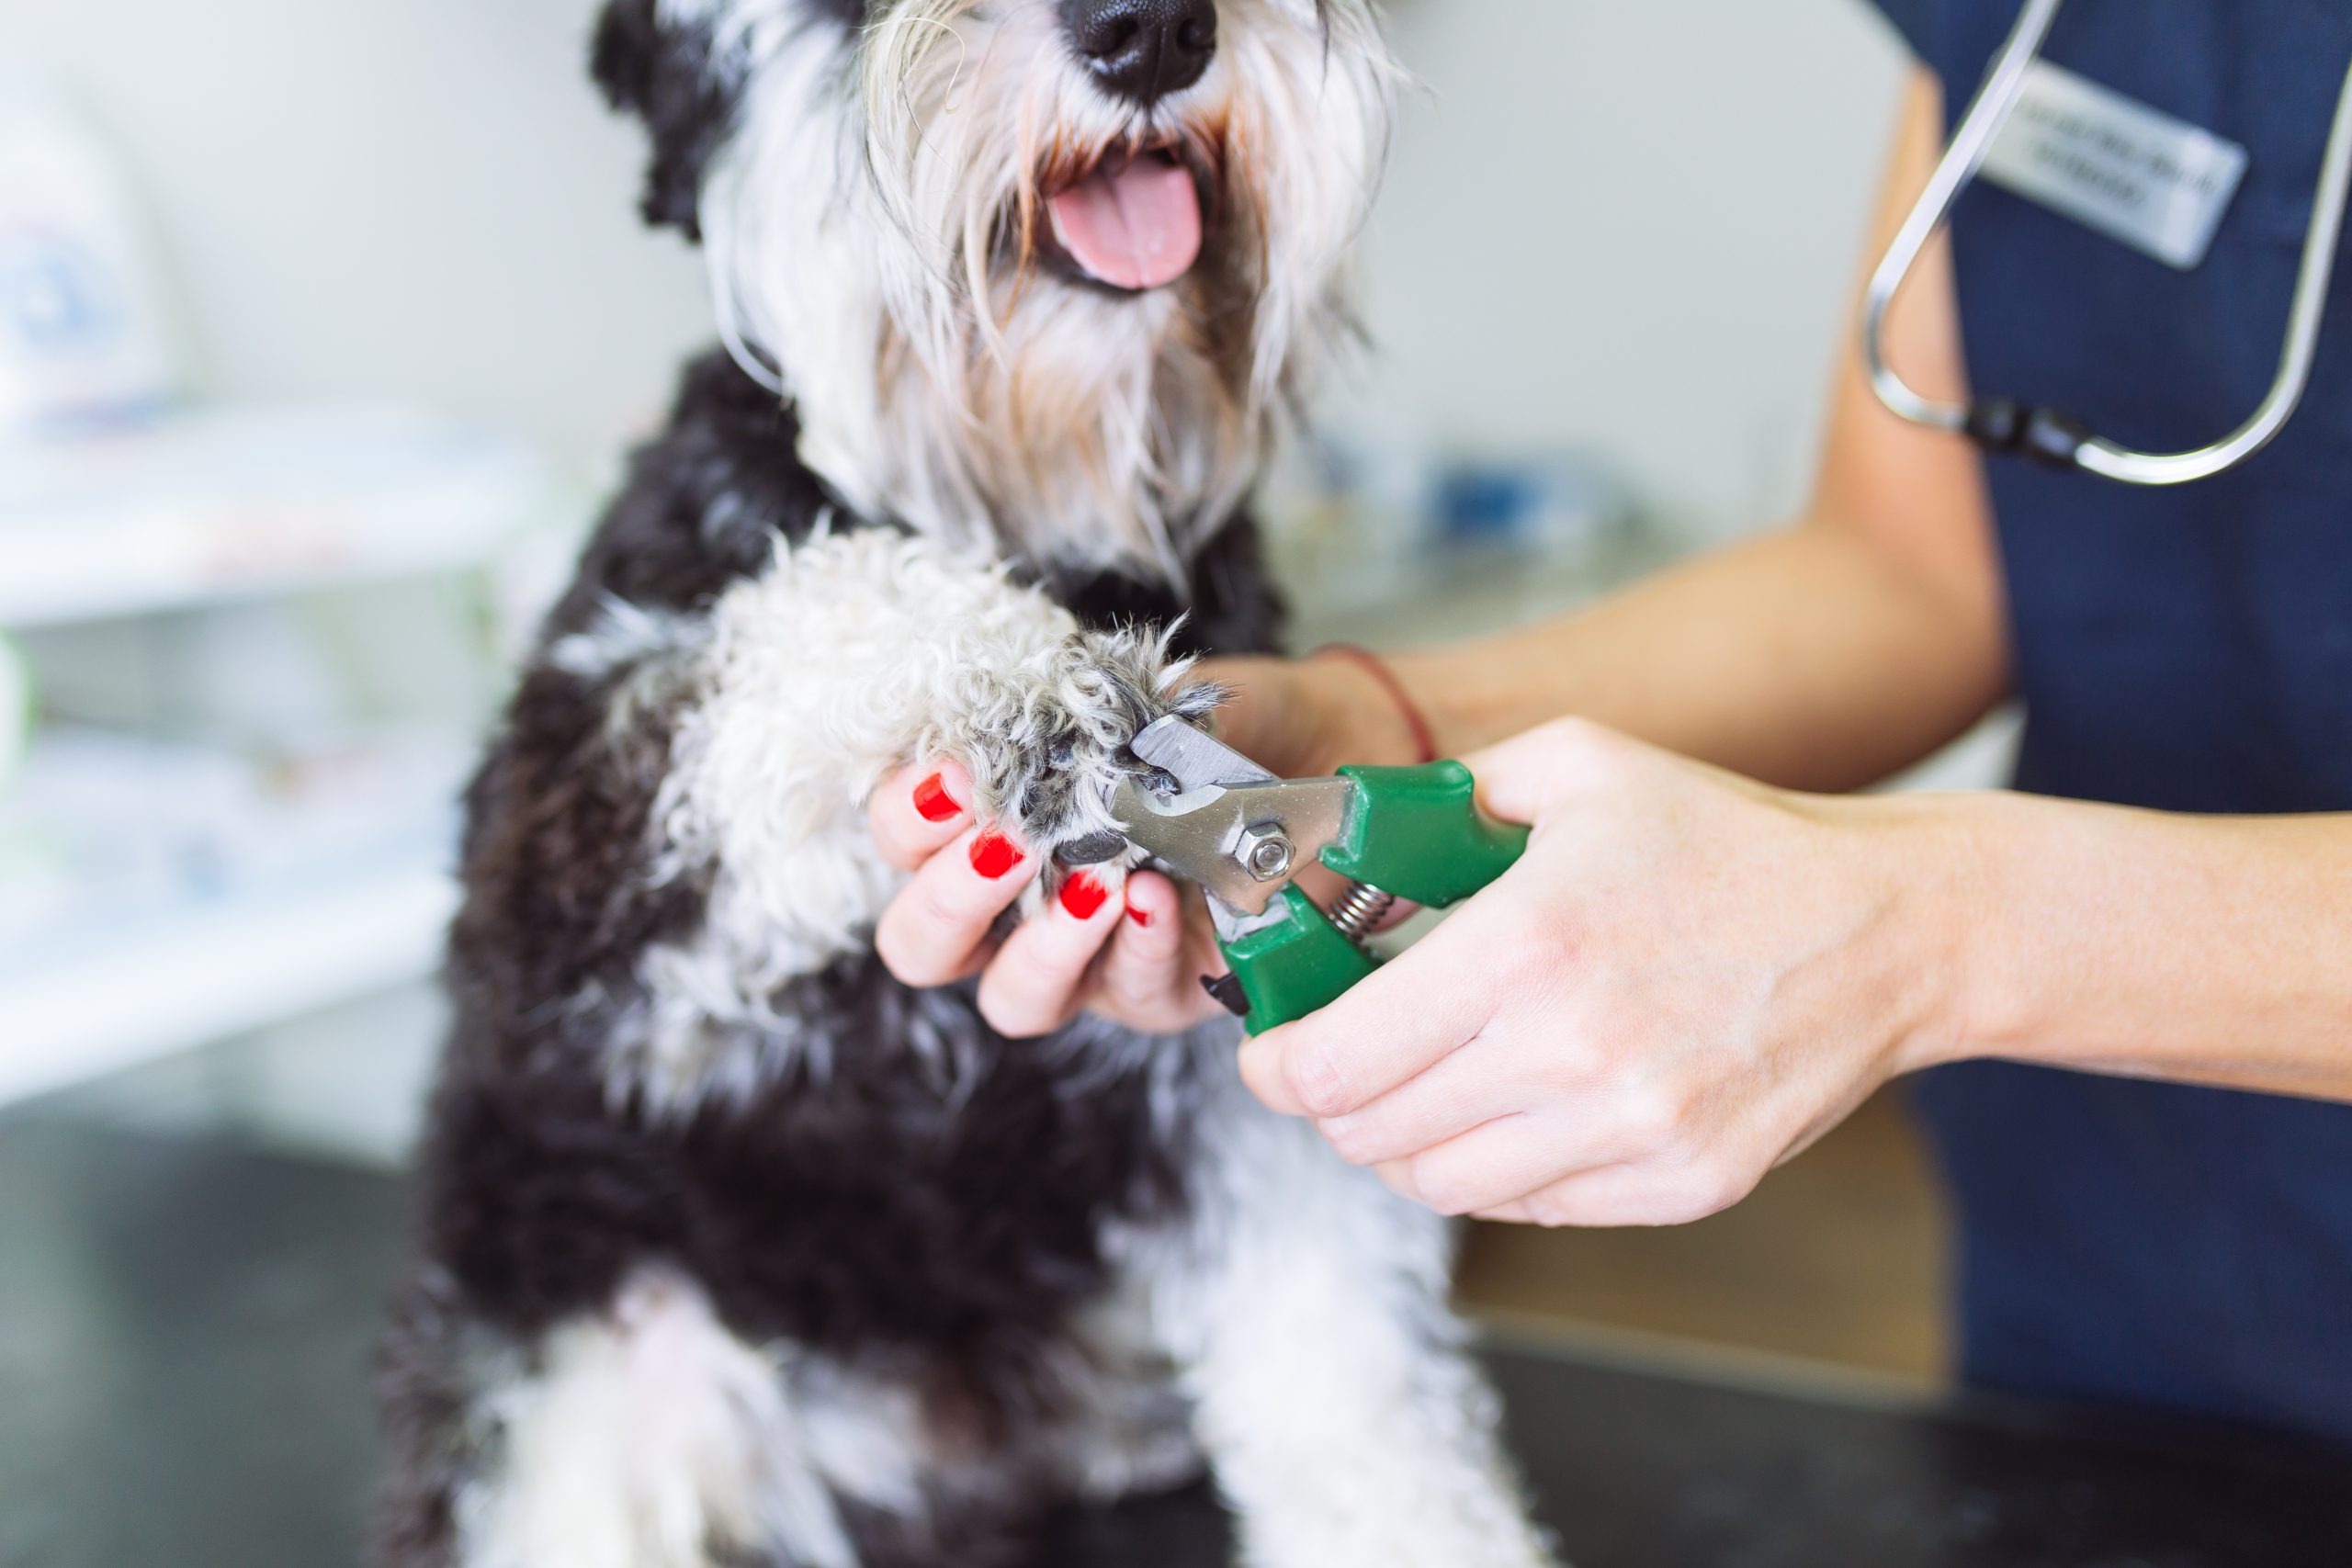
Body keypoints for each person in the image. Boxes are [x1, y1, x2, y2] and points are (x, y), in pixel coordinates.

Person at [864, 1, 2352, 1444]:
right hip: (2134, 1301)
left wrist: (1937, 930)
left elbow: (1937, 885)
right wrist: (1375, 731)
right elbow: (1920, 572)